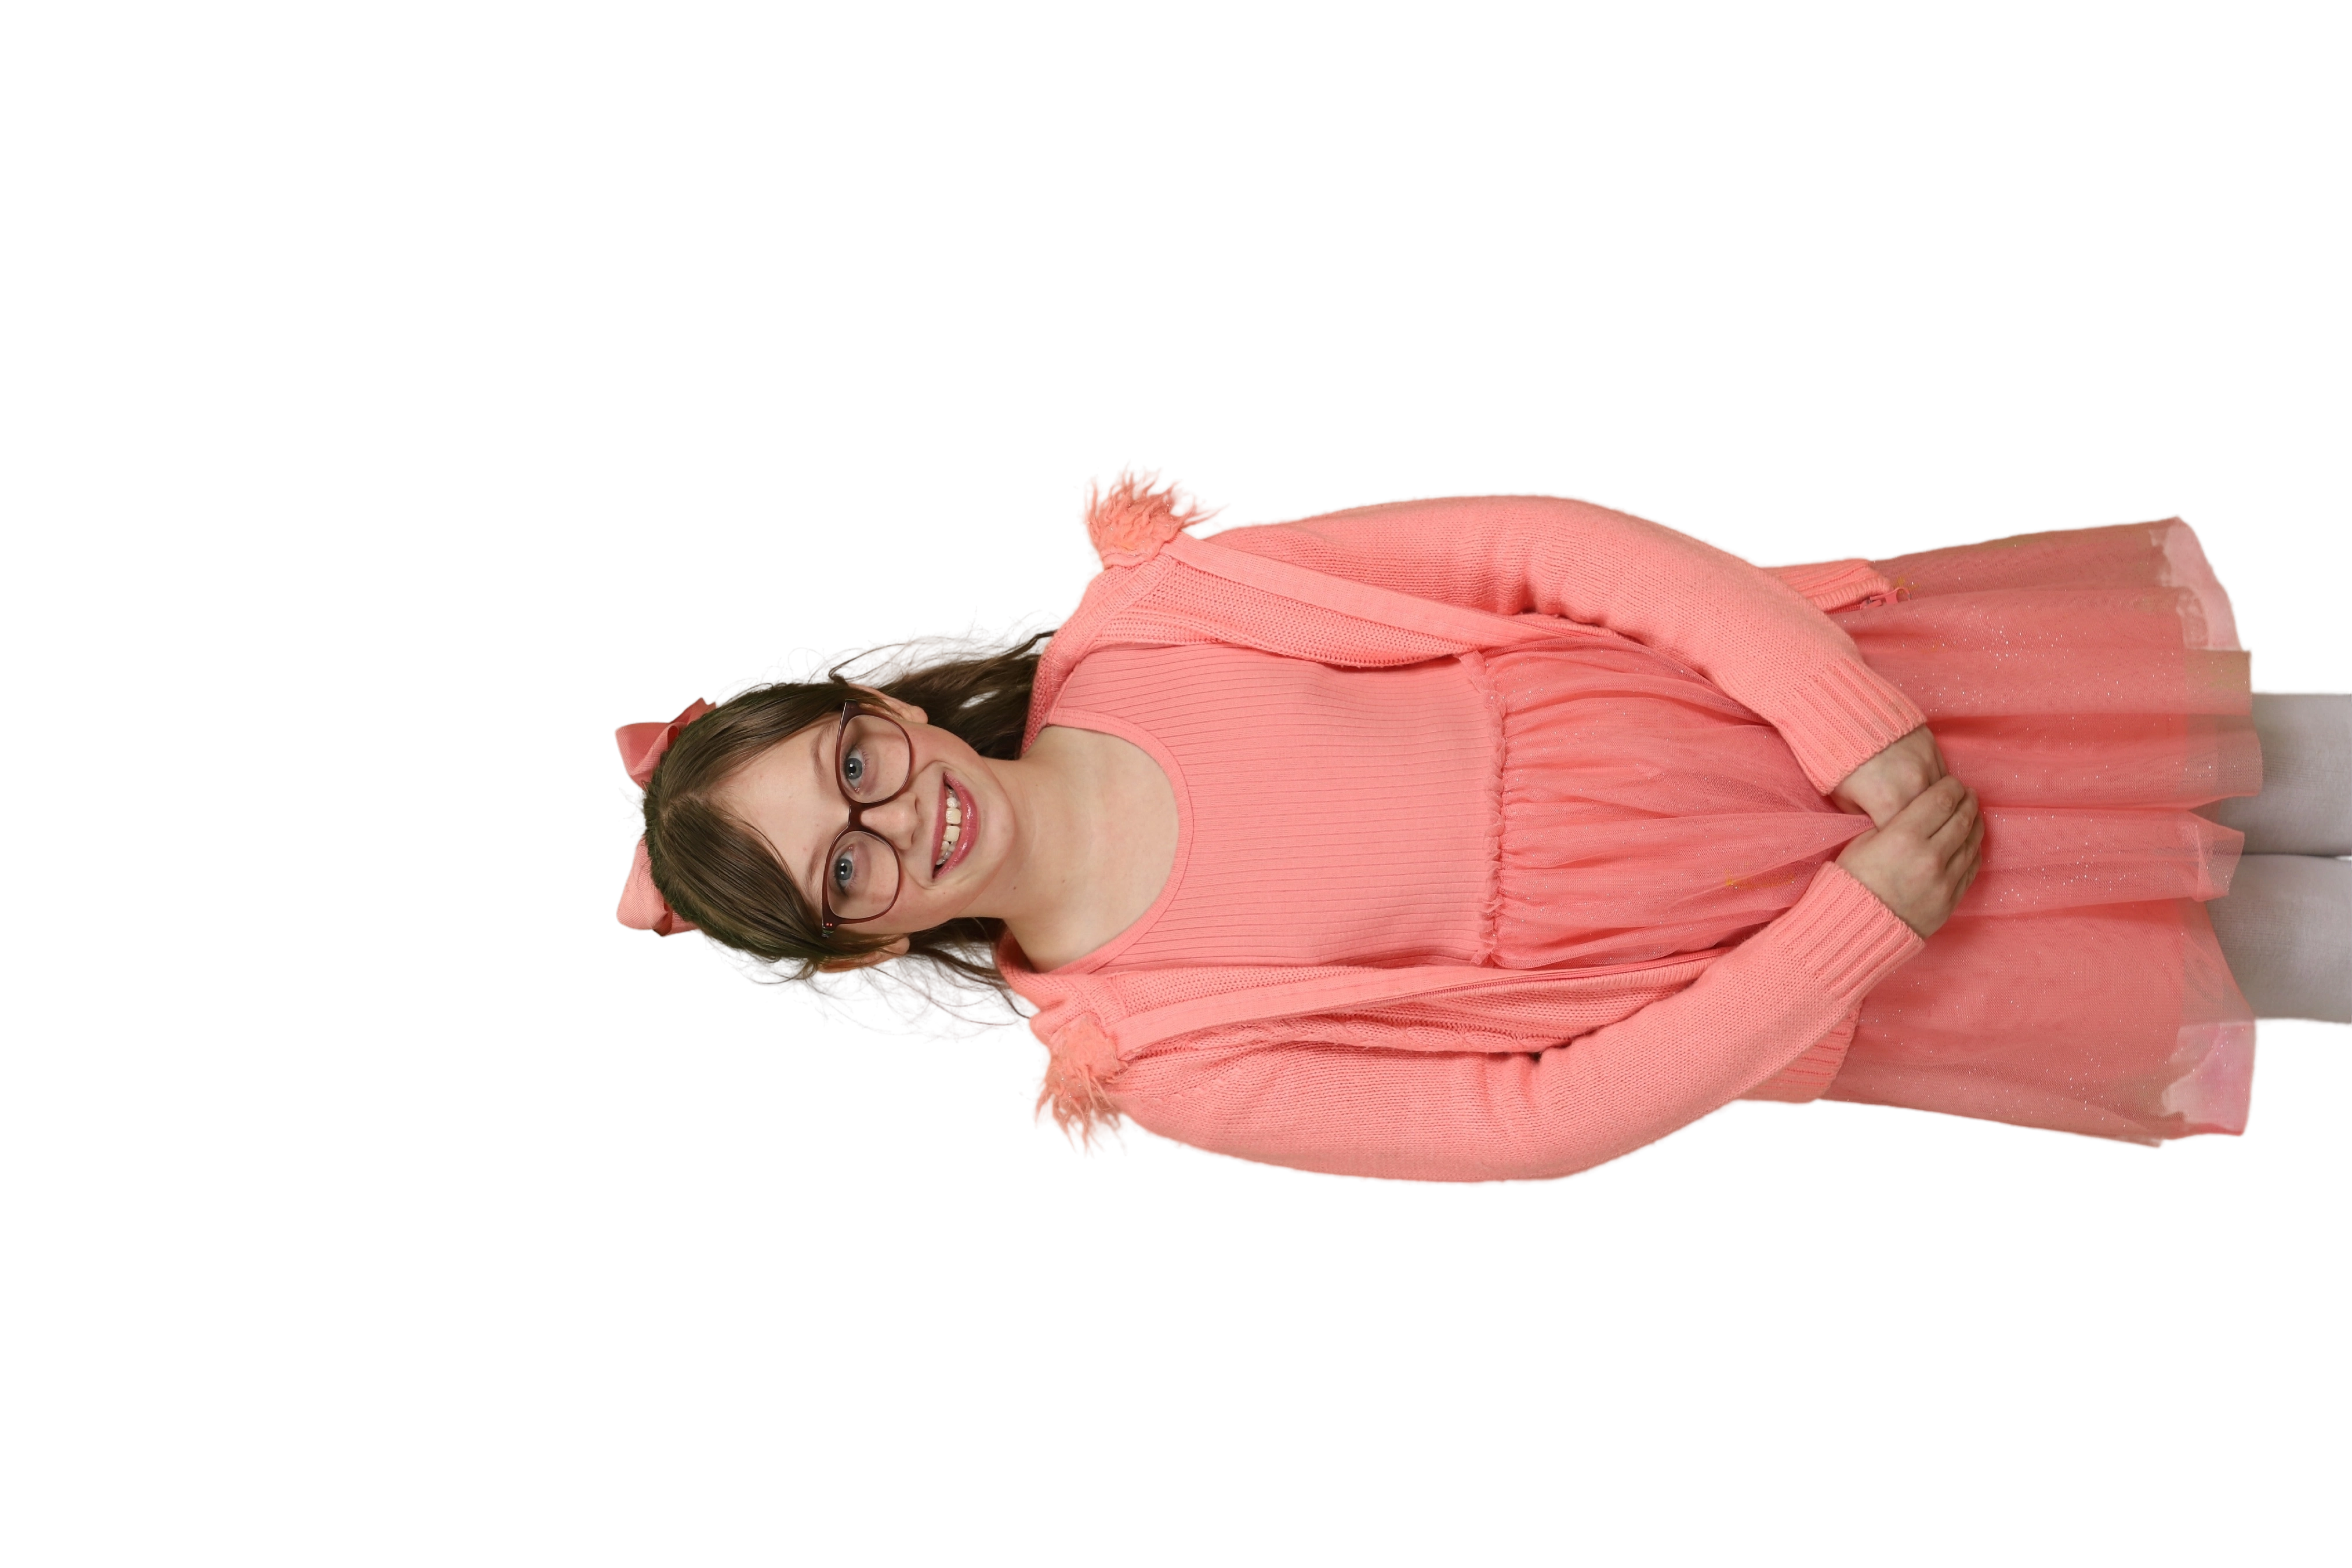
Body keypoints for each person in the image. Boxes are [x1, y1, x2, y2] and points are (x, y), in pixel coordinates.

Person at [613, 462, 2350, 1187]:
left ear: (888, 709)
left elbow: (1536, 551)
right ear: (864, 943)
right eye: (845, 869)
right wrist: (1855, 926)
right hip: (1873, 953)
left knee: (2311, 760)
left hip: (1873, 714)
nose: (897, 821)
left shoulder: (1164, 619)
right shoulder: (1161, 1051)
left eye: (853, 767)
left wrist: (1855, 730)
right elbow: (1524, 1120)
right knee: (2304, 944)